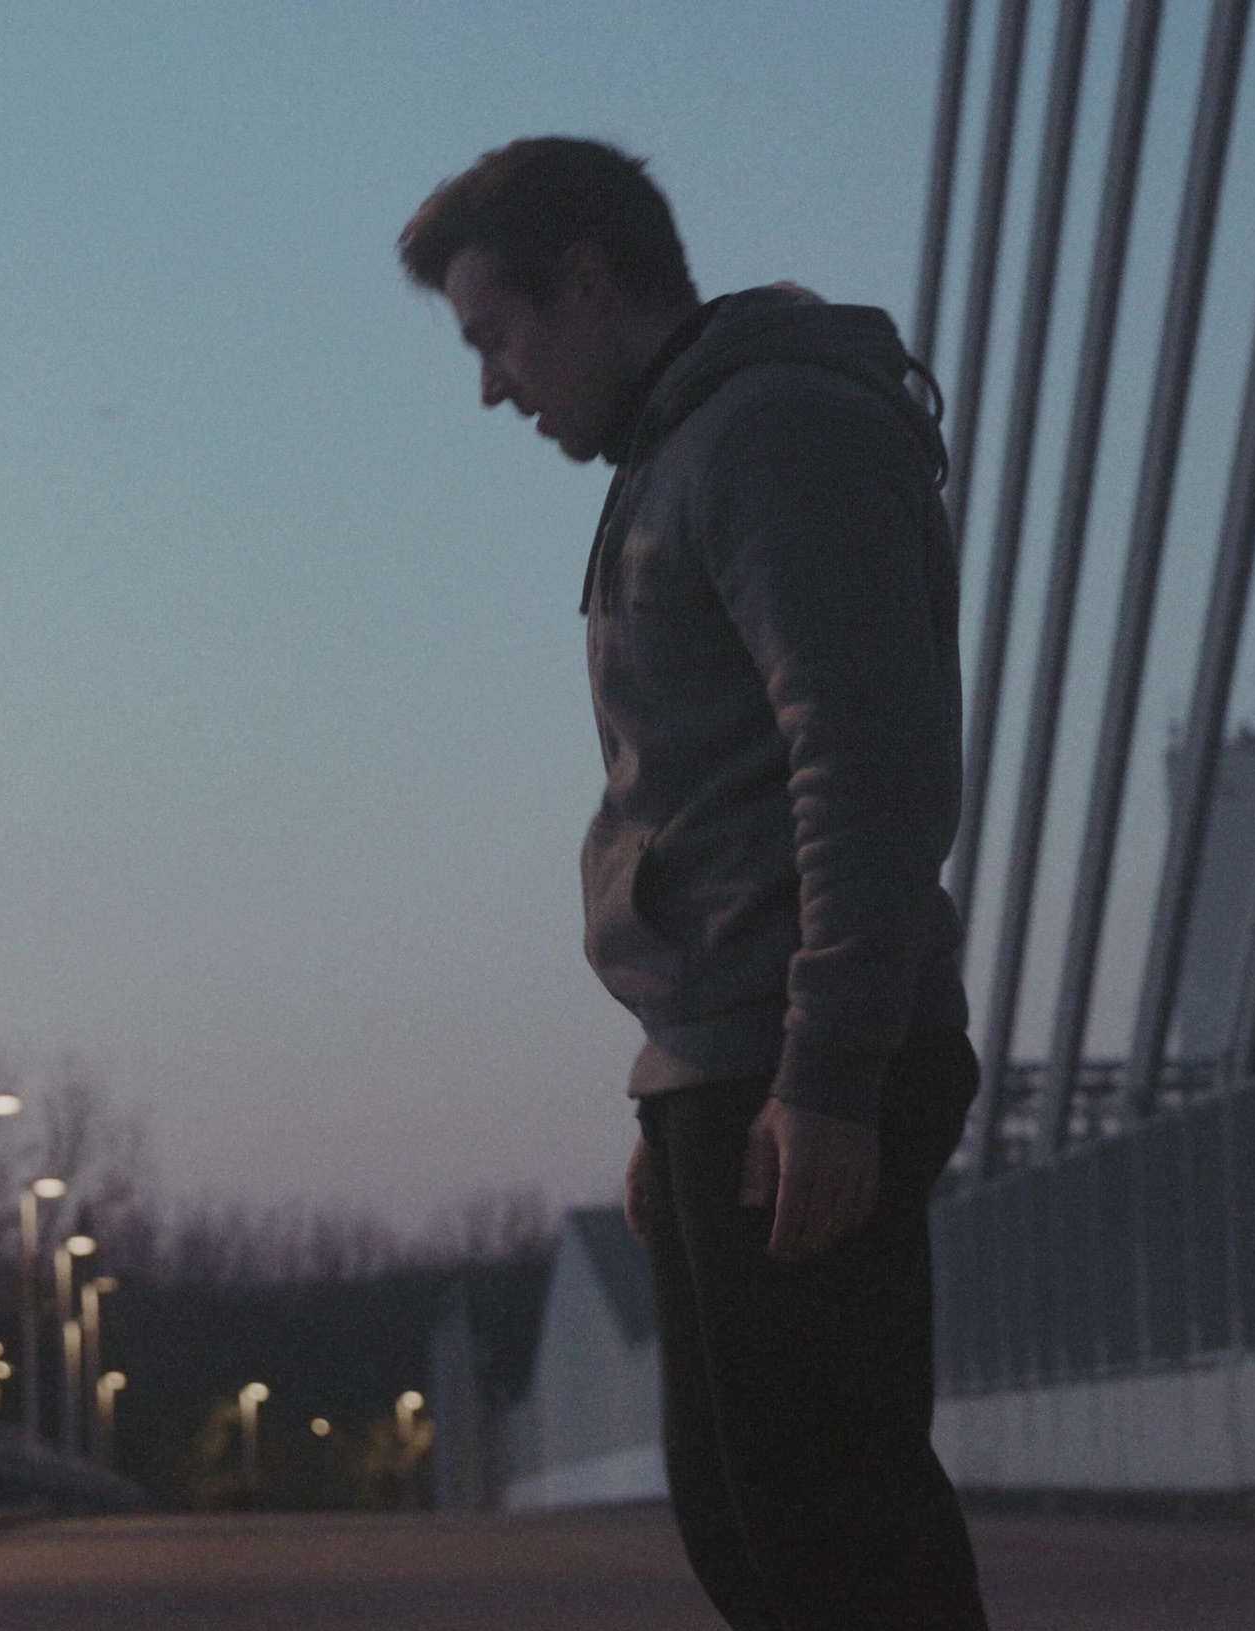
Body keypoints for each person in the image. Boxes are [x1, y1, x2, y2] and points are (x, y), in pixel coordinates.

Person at [399, 137, 989, 1630]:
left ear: (591, 281)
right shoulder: (690, 450)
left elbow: (864, 758)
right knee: (761, 1529)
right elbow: (714, 801)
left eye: (497, 336)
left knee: (835, 1543)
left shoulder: (773, 434)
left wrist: (825, 1072)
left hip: (804, 1061)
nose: (493, 388)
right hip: (739, 1063)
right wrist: (678, 1086)